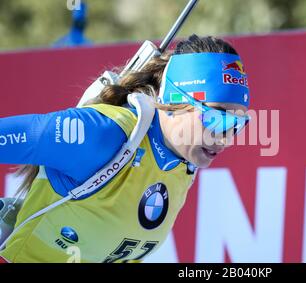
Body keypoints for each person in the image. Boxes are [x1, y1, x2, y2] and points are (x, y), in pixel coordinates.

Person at [0, 34, 250, 263]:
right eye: (219, 119)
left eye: (238, 124)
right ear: (176, 99)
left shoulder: (183, 163)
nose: (226, 138)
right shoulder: (104, 135)